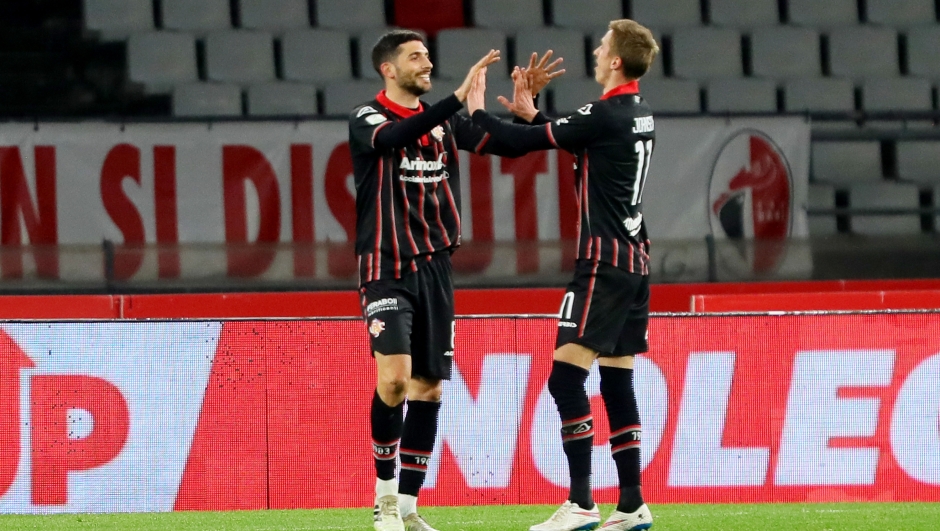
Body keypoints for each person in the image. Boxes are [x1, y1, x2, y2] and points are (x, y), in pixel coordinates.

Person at [348, 30, 564, 531]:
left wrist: (532, 114)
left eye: (427, 55)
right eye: (415, 56)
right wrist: (454, 99)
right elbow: (394, 139)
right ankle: (382, 500)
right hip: (387, 264)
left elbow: (510, 146)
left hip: (436, 268)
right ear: (388, 68)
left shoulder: (444, 126)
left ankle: (407, 506)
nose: (427, 62)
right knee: (394, 380)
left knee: (429, 390)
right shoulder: (368, 117)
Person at [466, 19, 660, 531]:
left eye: (602, 47)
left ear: (616, 61)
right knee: (617, 381)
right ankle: (632, 503)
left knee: (565, 379)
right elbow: (583, 141)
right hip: (636, 262)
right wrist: (537, 116)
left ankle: (580, 503)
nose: (597, 52)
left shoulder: (601, 113)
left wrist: (474, 114)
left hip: (602, 262)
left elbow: (513, 144)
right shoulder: (637, 113)